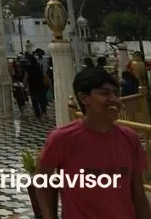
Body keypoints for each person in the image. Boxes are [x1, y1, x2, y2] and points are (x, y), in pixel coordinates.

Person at [36, 67, 151, 219]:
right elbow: (43, 181)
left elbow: (139, 196)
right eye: (104, 93)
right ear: (84, 98)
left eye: (116, 93)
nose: (114, 99)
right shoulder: (63, 139)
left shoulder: (129, 138)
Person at [24, 55, 48, 119]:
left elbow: (26, 77)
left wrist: (24, 84)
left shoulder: (28, 67)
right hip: (40, 85)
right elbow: (43, 75)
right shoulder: (38, 66)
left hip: (33, 86)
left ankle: (38, 115)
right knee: (42, 100)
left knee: (35, 101)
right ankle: (44, 113)